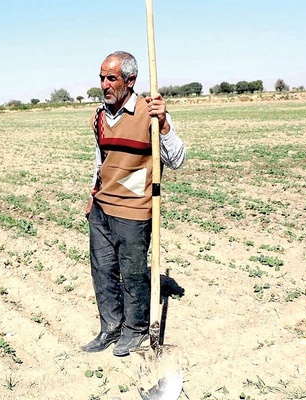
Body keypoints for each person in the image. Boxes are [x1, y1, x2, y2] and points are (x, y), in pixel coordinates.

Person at [82, 51, 186, 357]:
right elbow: (100, 160)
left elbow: (177, 159)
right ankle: (110, 327)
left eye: (111, 78)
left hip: (134, 209)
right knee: (102, 270)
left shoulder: (150, 113)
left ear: (131, 80)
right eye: (101, 78)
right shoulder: (98, 117)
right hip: (102, 208)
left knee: (134, 273)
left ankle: (136, 329)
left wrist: (163, 124)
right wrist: (92, 195)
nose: (104, 84)